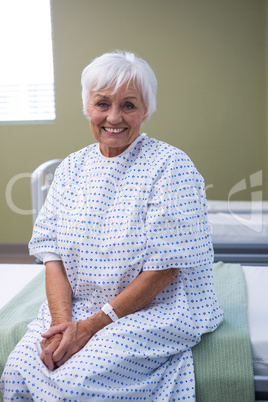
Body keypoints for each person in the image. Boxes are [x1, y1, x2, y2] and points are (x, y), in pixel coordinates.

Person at [0, 50, 223, 401]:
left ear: (146, 111)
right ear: (87, 106)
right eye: (102, 104)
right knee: (17, 371)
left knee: (74, 383)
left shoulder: (171, 167)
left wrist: (89, 328)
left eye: (129, 106)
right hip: (81, 306)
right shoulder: (72, 168)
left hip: (156, 309)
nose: (114, 117)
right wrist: (62, 325)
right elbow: (52, 254)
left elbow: (164, 272)